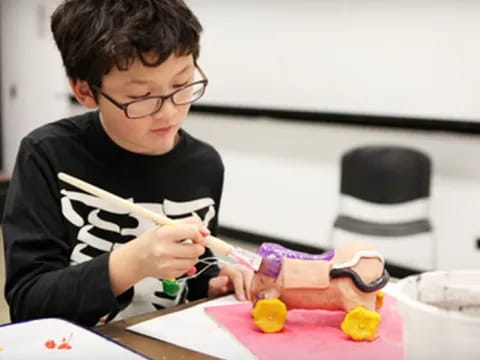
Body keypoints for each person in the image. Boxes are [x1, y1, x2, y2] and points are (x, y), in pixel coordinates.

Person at [2, 0, 252, 327]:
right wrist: (128, 264)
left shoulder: (204, 164)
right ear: (84, 91)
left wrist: (213, 283)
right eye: (141, 97)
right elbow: (28, 304)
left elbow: (193, 272)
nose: (169, 112)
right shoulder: (47, 155)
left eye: (181, 85)